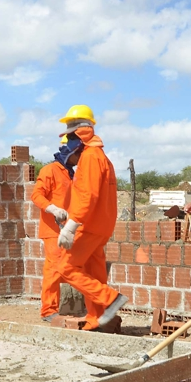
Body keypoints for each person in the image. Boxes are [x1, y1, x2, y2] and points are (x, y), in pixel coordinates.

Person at [53, 105, 127, 330]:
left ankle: (110, 298)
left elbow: (88, 196)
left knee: (66, 267)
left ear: (78, 131)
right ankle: (100, 320)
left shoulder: (91, 157)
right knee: (94, 272)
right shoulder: (99, 156)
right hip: (100, 224)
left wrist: (71, 226)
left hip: (89, 224)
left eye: (69, 131)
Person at [30, 136, 81, 321]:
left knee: (67, 268)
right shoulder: (50, 170)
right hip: (52, 230)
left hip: (68, 228)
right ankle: (48, 311)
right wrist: (52, 208)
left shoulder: (71, 173)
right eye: (78, 154)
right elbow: (36, 195)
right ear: (69, 153)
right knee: (53, 269)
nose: (80, 158)